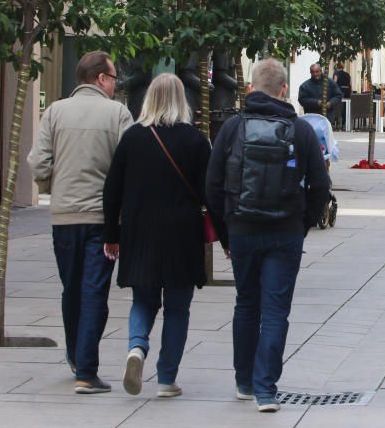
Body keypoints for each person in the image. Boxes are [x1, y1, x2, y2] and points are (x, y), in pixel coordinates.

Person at [206, 58, 330, 413]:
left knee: (246, 304)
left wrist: (226, 232)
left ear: (250, 89)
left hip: (243, 229)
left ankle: (244, 380)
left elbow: (212, 185)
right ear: (284, 91)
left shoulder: (232, 128)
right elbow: (321, 186)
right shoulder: (301, 130)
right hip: (284, 231)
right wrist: (301, 224)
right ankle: (266, 390)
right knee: (275, 309)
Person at [102, 74, 222, 399]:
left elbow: (111, 191)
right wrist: (225, 237)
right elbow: (210, 193)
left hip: (139, 232)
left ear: (149, 99)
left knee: (143, 299)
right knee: (178, 308)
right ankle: (167, 378)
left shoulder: (132, 139)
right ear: (182, 100)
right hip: (182, 234)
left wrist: (111, 234)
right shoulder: (196, 141)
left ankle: (136, 348)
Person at [28, 51, 134, 394]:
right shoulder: (118, 114)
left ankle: (76, 357)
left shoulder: (55, 111)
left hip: (64, 216)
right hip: (103, 220)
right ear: (101, 78)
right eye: (114, 77)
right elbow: (129, 166)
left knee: (71, 287)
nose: (116, 84)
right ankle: (86, 370)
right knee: (94, 291)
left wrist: (52, 187)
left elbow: (39, 163)